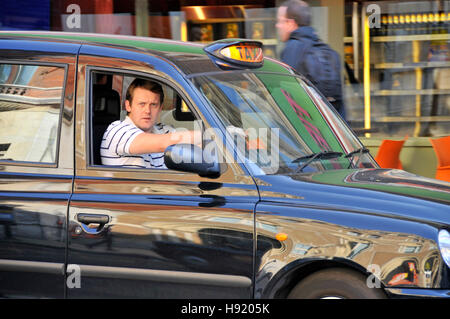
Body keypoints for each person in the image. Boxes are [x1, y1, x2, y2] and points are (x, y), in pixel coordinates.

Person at [101, 78, 198, 168]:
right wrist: (211, 135)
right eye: (142, 104)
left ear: (160, 108)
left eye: (153, 105)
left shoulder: (165, 131)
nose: (147, 110)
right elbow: (164, 143)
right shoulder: (117, 130)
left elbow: (198, 148)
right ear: (128, 106)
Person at [276, 0, 346, 119]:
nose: (277, 25)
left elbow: (285, 98)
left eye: (280, 21)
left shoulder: (292, 49)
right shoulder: (328, 51)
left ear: (291, 23)